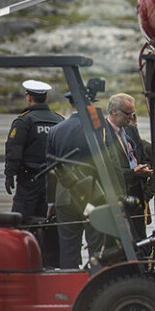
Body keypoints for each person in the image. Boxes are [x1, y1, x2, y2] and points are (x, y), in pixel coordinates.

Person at [46, 93, 108, 269]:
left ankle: (68, 288)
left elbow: (51, 169)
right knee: (96, 247)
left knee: (68, 248)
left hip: (65, 196)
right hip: (93, 194)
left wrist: (51, 201)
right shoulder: (97, 128)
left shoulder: (56, 130)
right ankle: (95, 284)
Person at [4, 80, 63, 221]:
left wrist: (9, 174)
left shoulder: (24, 121)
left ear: (29, 97)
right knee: (47, 221)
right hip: (53, 181)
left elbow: (14, 150)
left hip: (28, 180)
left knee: (21, 220)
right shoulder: (59, 121)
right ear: (46, 98)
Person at [104, 93, 153, 241]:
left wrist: (146, 168)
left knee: (140, 239)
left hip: (137, 195)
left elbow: (143, 155)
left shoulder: (131, 130)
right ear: (114, 111)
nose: (131, 117)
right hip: (117, 195)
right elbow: (107, 169)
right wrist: (133, 173)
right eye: (127, 114)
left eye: (133, 114)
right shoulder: (103, 134)